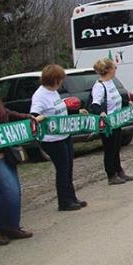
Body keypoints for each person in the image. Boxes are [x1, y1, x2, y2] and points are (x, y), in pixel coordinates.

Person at [30, 65, 85, 211]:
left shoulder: (53, 92)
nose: (61, 82)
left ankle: (72, 197)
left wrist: (76, 112)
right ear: (54, 79)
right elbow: (34, 115)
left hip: (64, 134)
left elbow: (60, 110)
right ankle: (64, 202)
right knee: (62, 169)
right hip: (52, 139)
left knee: (69, 168)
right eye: (60, 79)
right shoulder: (40, 95)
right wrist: (39, 117)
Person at [0, 89, 34, 244]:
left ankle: (11, 226)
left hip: (5, 148)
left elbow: (4, 112)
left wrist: (25, 117)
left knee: (14, 191)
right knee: (6, 190)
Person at [89, 58, 133, 185]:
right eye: (114, 67)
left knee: (116, 147)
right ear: (108, 70)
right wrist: (101, 113)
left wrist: (127, 102)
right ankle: (111, 175)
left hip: (117, 121)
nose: (116, 69)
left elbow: (114, 99)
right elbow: (95, 105)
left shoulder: (111, 82)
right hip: (108, 124)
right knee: (110, 149)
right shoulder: (99, 86)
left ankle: (119, 170)